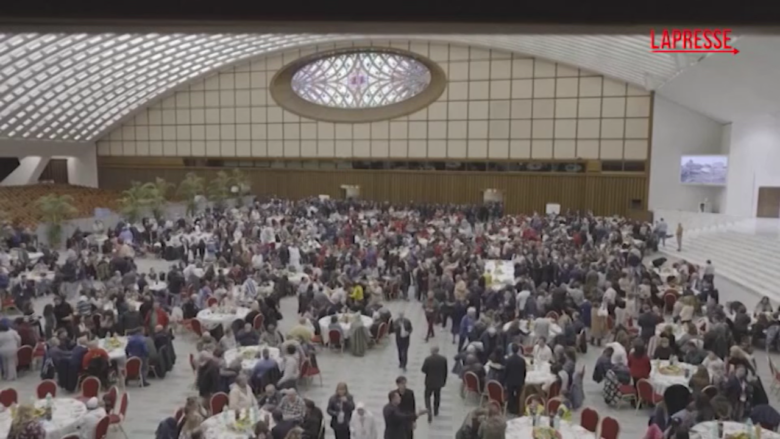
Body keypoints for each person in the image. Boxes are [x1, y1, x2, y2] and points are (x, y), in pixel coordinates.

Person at [420, 346, 447, 423]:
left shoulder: (428, 359)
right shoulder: (443, 359)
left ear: (432, 351)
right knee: (437, 396)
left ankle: (429, 411)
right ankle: (436, 410)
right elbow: (445, 371)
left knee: (427, 396)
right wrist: (443, 381)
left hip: (429, 382)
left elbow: (423, 370)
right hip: (439, 382)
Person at [504, 343, 527, 415]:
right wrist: (523, 380)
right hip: (519, 381)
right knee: (518, 395)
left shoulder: (508, 360)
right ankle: (517, 408)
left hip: (510, 381)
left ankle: (511, 409)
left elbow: (506, 371)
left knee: (510, 395)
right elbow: (524, 371)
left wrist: (505, 380)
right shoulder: (522, 360)